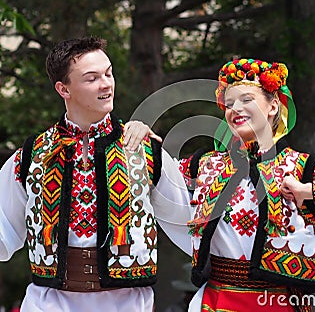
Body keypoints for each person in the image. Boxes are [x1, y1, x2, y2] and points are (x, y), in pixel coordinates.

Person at [126, 58, 315, 311]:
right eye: (229, 103)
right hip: (219, 301)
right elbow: (160, 176)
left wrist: (308, 191)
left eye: (246, 99)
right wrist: (139, 134)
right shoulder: (207, 166)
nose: (235, 109)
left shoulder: (301, 168)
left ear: (273, 106)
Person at [0, 36, 188, 312]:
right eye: (92, 78)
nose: (106, 84)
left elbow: (190, 222)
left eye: (109, 73)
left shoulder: (145, 150)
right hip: (49, 303)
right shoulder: (31, 156)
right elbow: (3, 229)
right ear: (63, 89)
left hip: (127, 304)